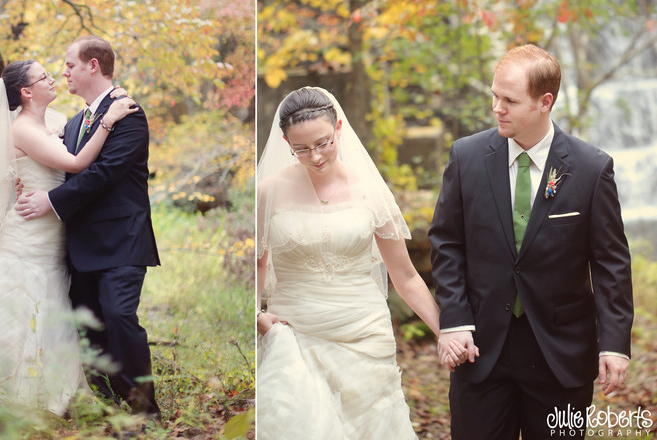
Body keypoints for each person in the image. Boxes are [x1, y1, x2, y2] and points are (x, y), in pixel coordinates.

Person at [430, 44, 634, 439]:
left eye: (509, 100)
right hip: (481, 349)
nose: (496, 108)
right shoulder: (465, 157)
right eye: (494, 95)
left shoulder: (592, 169)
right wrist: (453, 319)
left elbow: (611, 264)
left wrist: (614, 343)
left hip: (560, 355)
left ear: (545, 101)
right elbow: (446, 242)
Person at [0, 59, 137, 414]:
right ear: (25, 91)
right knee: (19, 302)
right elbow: (77, 163)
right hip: (30, 230)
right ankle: (2, 383)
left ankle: (50, 387)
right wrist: (110, 122)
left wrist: (112, 99)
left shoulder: (54, 120)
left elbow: (81, 128)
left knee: (52, 305)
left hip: (56, 230)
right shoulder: (21, 129)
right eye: (44, 77)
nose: (53, 79)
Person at [256, 87, 458, 440]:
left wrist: (446, 331)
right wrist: (255, 315)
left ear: (339, 129)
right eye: (301, 148)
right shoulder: (268, 191)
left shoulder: (370, 190)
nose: (315, 156)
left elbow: (405, 275)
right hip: (295, 334)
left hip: (363, 334)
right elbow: (257, 265)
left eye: (323, 143)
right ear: (286, 141)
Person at [15, 36, 161, 417]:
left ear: (93, 66)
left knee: (119, 317)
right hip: (77, 246)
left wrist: (51, 200)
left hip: (121, 242)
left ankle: (144, 412)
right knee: (87, 326)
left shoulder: (128, 112)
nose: (64, 73)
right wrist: (28, 184)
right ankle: (110, 405)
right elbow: (57, 166)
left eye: (69, 65)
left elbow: (104, 173)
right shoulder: (75, 122)